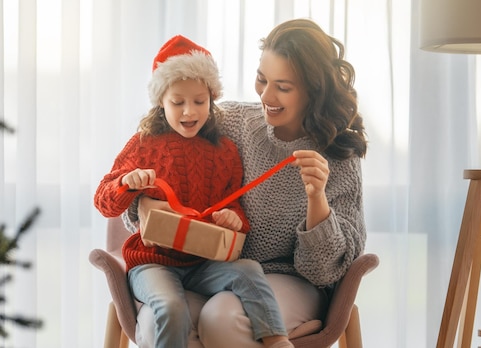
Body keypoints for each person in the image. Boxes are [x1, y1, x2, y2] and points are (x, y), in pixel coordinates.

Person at [124, 18, 368, 347]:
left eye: (283, 86)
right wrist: (145, 206)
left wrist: (316, 199)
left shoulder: (339, 158)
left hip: (290, 281)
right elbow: (157, 155)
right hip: (210, 270)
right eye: (261, 79)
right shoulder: (231, 122)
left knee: (221, 318)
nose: (266, 95)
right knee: (157, 322)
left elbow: (324, 272)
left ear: (313, 90)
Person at [94, 35, 296, 348]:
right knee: (171, 307)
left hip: (204, 264)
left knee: (248, 270)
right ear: (161, 101)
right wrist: (125, 183)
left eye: (200, 101)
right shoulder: (143, 144)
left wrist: (233, 219)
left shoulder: (225, 151)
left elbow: (237, 208)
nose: (190, 112)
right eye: (178, 102)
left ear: (211, 100)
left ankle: (278, 341)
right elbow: (104, 201)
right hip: (153, 264)